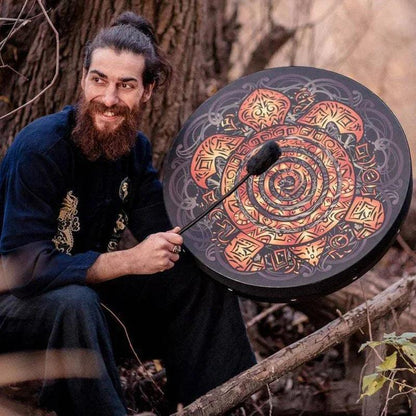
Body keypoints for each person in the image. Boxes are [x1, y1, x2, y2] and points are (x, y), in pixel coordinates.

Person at [0, 12, 255, 416]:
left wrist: (245, 212)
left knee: (196, 279)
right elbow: (25, 270)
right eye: (98, 80)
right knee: (75, 302)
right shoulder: (40, 150)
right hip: (15, 313)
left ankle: (215, 404)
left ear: (148, 91)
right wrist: (129, 261)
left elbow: (166, 228)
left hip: (87, 311)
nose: (109, 98)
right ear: (82, 79)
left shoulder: (133, 150)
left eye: (126, 85)